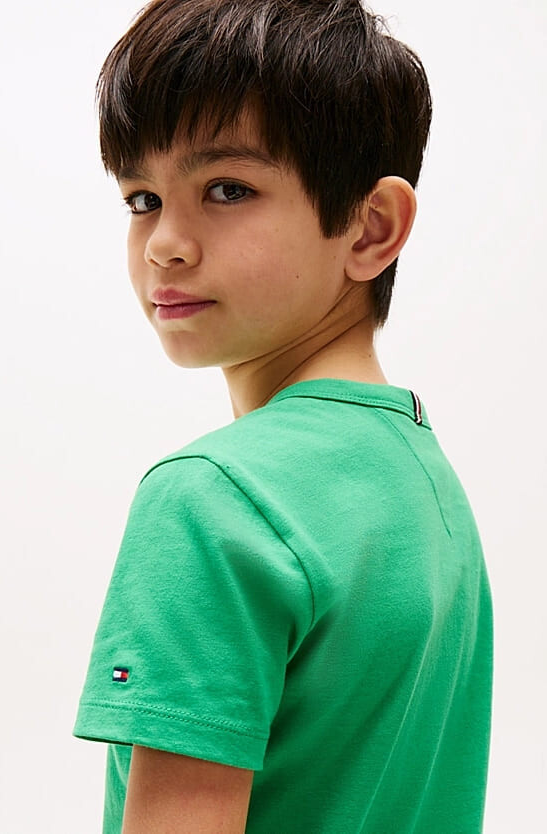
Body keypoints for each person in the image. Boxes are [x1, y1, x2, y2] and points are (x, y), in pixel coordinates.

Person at [73, 1, 493, 831]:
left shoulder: (211, 497)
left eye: (227, 189)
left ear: (370, 228)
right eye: (142, 198)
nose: (164, 243)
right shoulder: (425, 482)